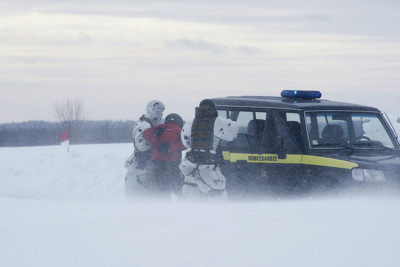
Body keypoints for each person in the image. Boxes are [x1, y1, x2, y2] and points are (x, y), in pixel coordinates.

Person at [179, 99, 239, 200]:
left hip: (190, 163)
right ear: (213, 109)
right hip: (208, 164)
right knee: (218, 192)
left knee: (191, 191)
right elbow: (232, 135)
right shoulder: (218, 122)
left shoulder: (191, 123)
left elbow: (185, 143)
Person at [124, 100, 165, 197]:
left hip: (145, 167)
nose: (160, 115)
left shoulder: (148, 124)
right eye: (158, 111)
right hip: (140, 168)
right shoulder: (144, 125)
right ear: (151, 110)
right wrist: (157, 138)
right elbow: (142, 146)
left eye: (161, 112)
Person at [142, 113, 186, 198]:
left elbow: (145, 133)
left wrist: (157, 142)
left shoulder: (160, 127)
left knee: (161, 185)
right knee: (177, 185)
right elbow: (185, 144)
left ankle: (163, 202)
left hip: (157, 161)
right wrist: (171, 148)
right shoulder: (179, 130)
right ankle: (182, 202)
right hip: (172, 162)